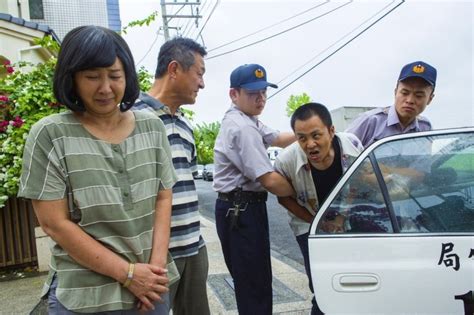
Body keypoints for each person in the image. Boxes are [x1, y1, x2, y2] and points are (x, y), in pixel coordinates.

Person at [18, 26, 178, 314]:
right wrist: (129, 275)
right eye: (92, 77)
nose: (105, 88)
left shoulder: (151, 126)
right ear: (72, 78)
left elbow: (163, 198)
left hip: (151, 289)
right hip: (84, 296)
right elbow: (54, 223)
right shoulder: (50, 134)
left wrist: (153, 274)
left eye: (114, 76)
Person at [133, 37, 210, 315]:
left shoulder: (185, 126)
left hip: (193, 247)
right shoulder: (131, 119)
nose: (202, 83)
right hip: (154, 256)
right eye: (199, 73)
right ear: (174, 69)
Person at [213, 63, 296, 315]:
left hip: (240, 209)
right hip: (241, 211)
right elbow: (269, 180)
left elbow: (279, 138)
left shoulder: (247, 118)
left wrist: (312, 132)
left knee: (252, 280)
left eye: (263, 92)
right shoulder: (243, 127)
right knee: (254, 284)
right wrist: (304, 194)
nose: (260, 98)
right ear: (234, 94)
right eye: (252, 93)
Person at [275, 103, 364, 315]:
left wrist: (341, 219)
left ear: (331, 131)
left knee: (355, 279)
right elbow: (284, 199)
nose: (310, 144)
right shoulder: (285, 161)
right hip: (308, 225)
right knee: (322, 287)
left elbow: (358, 184)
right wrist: (318, 223)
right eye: (302, 138)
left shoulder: (351, 147)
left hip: (349, 218)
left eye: (316, 135)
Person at [346, 60, 437, 147]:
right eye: (404, 93)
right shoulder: (370, 121)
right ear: (395, 92)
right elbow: (342, 155)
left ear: (430, 99)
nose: (410, 100)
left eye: (418, 96)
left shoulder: (425, 128)